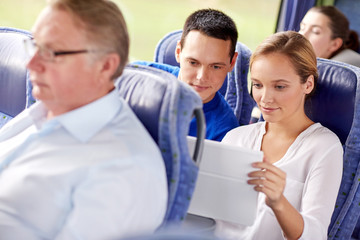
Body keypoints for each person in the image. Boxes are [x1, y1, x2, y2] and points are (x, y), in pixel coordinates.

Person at [0, 0, 167, 239]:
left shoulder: (125, 169)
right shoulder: (43, 111)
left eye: (51, 52)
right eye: (34, 46)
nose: (31, 63)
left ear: (105, 66)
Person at [214, 31, 343, 240]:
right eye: (257, 85)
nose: (265, 98)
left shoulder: (323, 147)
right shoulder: (235, 138)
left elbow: (315, 235)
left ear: (307, 84)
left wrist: (278, 202)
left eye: (279, 86)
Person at [135, 9, 239, 141]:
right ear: (178, 52)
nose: (201, 77)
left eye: (215, 66)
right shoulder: (137, 77)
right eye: (193, 63)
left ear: (232, 62)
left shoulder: (225, 131)